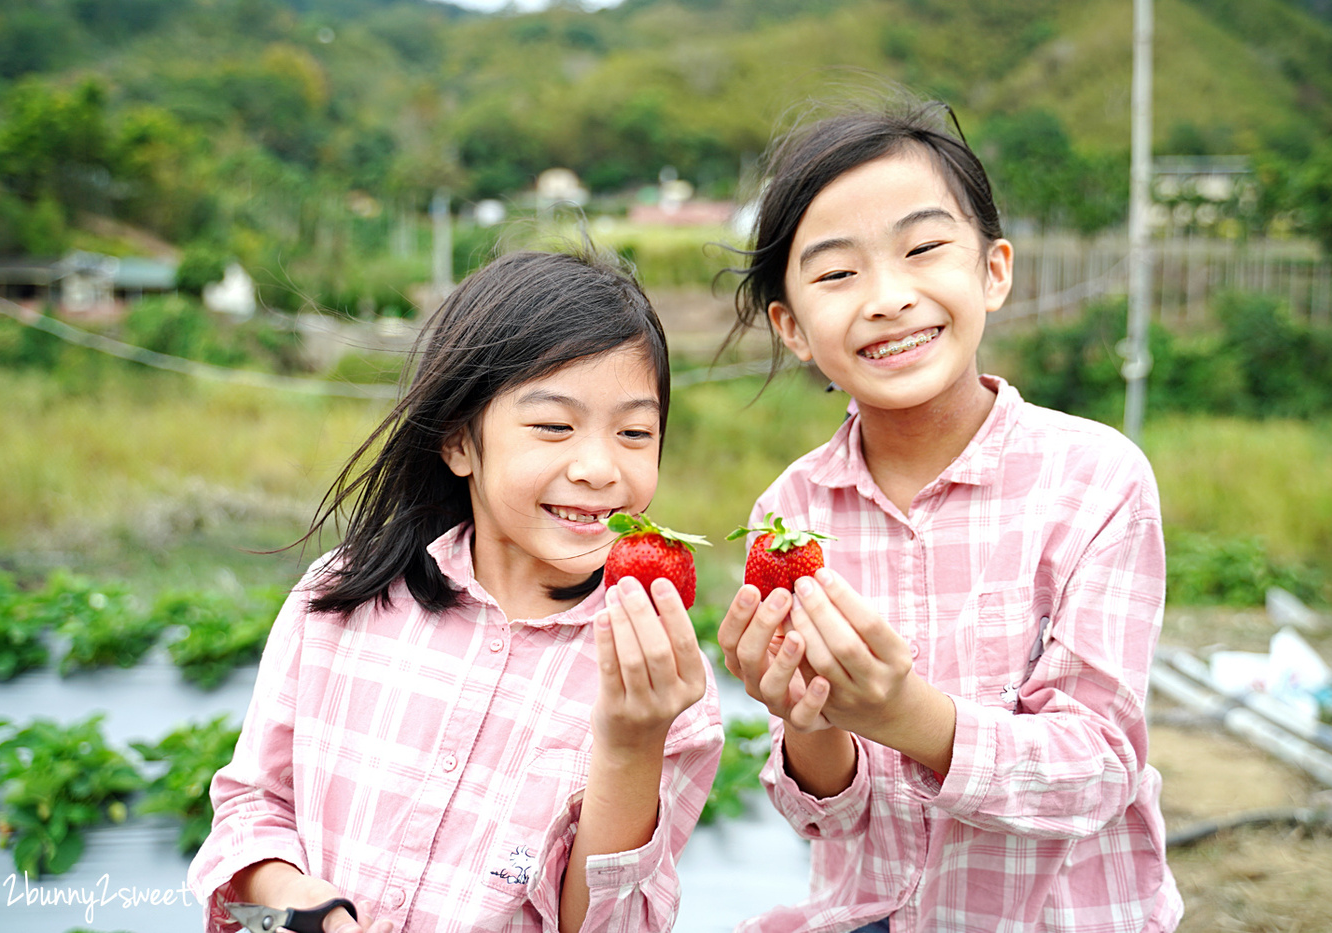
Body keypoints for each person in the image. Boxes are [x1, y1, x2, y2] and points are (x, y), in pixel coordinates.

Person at [716, 94, 1183, 933]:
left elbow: (1099, 767)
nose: (889, 297)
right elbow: (824, 814)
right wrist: (804, 714)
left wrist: (906, 716)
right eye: (836, 273)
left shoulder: (1094, 479)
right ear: (791, 327)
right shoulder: (788, 514)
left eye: (924, 249)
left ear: (993, 270)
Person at [189, 248, 724, 933]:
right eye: (554, 425)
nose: (598, 467)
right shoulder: (340, 600)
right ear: (459, 442)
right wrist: (310, 913)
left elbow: (611, 925)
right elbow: (251, 809)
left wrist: (631, 743)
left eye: (634, 432)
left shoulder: (670, 688)